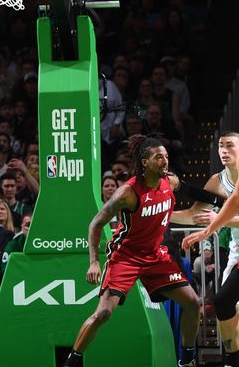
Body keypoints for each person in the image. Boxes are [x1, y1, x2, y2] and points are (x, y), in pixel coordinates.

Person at [64, 136, 201, 367]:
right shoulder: (127, 193)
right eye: (159, 157)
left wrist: (219, 201)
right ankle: (72, 360)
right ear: (145, 162)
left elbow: (194, 192)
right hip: (125, 257)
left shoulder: (171, 182)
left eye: (166, 156)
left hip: (155, 256)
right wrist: (94, 262)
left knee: (193, 302)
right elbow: (95, 224)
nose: (165, 161)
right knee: (103, 314)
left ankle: (187, 358)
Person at [180, 132, 239, 366]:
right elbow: (196, 215)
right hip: (236, 252)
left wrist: (214, 224)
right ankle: (231, 359)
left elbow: (222, 217)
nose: (224, 151)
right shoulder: (219, 181)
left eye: (230, 146)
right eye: (220, 146)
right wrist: (160, 213)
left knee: (224, 300)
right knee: (226, 308)